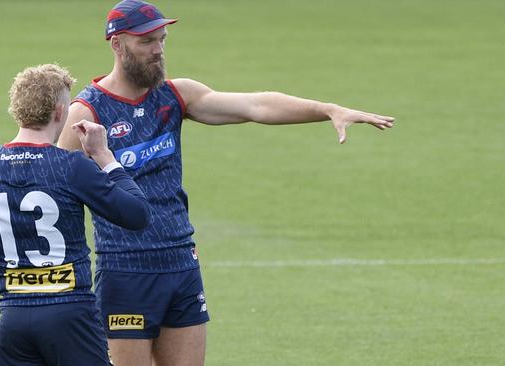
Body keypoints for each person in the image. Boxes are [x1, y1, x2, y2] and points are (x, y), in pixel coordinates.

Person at [57, 1, 396, 365]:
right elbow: (57, 188)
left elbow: (255, 106)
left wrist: (326, 109)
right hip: (124, 271)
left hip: (181, 265)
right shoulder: (88, 112)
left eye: (162, 39)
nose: (158, 50)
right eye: (147, 42)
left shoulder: (175, 95)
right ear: (117, 44)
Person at [0, 63, 151, 366]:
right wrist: (104, 156)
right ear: (60, 112)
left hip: (14, 321)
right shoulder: (71, 166)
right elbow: (137, 214)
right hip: (72, 317)